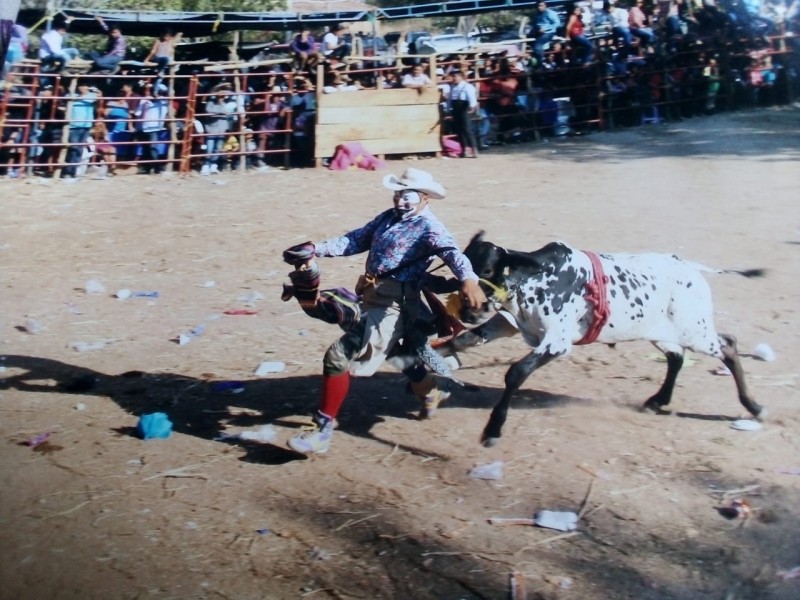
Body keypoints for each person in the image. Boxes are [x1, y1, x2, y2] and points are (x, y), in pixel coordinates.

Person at [284, 168, 487, 455]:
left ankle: (321, 431)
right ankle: (431, 389)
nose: (401, 200)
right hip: (371, 296)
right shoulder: (387, 218)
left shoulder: (430, 227)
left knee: (338, 355)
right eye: (398, 193)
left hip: (395, 305)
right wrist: (316, 249)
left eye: (409, 195)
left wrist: (469, 280)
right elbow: (355, 240)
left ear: (425, 198)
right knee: (397, 355)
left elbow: (452, 252)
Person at [61, 81, 98, 180]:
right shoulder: (71, 95)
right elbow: (66, 98)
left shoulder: (91, 96)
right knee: (73, 149)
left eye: (85, 86)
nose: (82, 88)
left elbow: (96, 96)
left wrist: (78, 98)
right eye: (81, 86)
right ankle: (68, 171)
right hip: (74, 126)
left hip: (85, 126)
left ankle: (74, 171)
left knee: (79, 149)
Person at [201, 82, 238, 175]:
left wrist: (220, 106)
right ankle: (206, 166)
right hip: (211, 129)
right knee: (209, 149)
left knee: (217, 148)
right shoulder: (211, 102)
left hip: (222, 129)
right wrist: (220, 111)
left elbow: (227, 112)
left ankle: (213, 166)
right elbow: (209, 111)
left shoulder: (230, 103)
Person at [133, 82, 169, 174]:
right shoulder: (144, 101)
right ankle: (147, 168)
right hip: (143, 127)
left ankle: (157, 167)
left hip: (154, 128)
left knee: (152, 148)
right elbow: (138, 113)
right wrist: (144, 102)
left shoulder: (163, 102)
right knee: (145, 149)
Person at [448, 70, 480, 158]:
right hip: (456, 108)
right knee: (459, 130)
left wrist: (472, 107)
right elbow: (450, 99)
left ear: (461, 77)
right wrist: (449, 109)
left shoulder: (467, 86)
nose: (454, 78)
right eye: (453, 77)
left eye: (456, 76)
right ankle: (464, 149)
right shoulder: (452, 87)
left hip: (464, 108)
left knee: (467, 129)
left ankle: (474, 149)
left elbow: (472, 98)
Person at [532, 1, 562, 67]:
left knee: (537, 46)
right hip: (538, 33)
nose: (539, 7)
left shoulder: (550, 13)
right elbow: (534, 25)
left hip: (549, 32)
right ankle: (539, 63)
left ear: (545, 6)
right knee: (533, 47)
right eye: (538, 6)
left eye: (541, 5)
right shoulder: (536, 14)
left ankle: (541, 64)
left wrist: (545, 28)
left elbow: (557, 23)